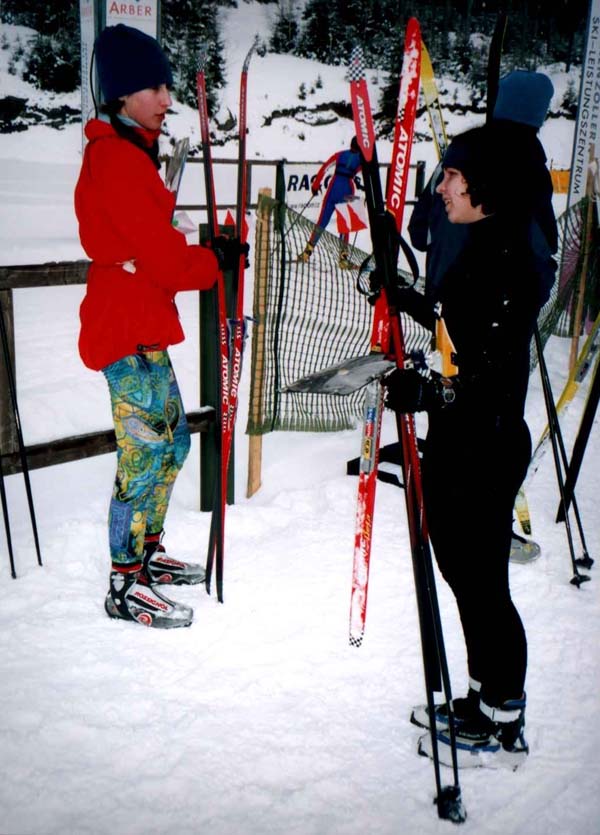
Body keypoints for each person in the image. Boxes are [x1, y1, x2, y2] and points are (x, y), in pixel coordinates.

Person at [382, 120, 557, 768]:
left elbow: (490, 369)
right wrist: (405, 295)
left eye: (453, 175)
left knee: (482, 585)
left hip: (483, 445)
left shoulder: (509, 262)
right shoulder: (483, 247)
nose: (442, 186)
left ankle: (502, 714)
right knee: (463, 573)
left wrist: (433, 392)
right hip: (461, 443)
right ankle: (484, 698)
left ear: (485, 184)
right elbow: (454, 323)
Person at [74, 24, 246, 628]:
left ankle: (147, 552)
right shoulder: (115, 158)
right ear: (123, 94)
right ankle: (124, 581)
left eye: (168, 88)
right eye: (155, 88)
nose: (167, 100)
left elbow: (155, 249)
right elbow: (163, 256)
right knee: (143, 453)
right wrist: (210, 261)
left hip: (145, 323)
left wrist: (192, 257)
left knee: (172, 442)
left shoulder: (133, 153)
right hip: (123, 330)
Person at [298, 136, 362, 268]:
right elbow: (368, 173)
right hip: (347, 189)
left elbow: (325, 167)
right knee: (345, 226)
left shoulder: (339, 154)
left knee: (322, 221)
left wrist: (316, 185)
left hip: (333, 188)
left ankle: (307, 252)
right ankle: (343, 259)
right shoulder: (362, 159)